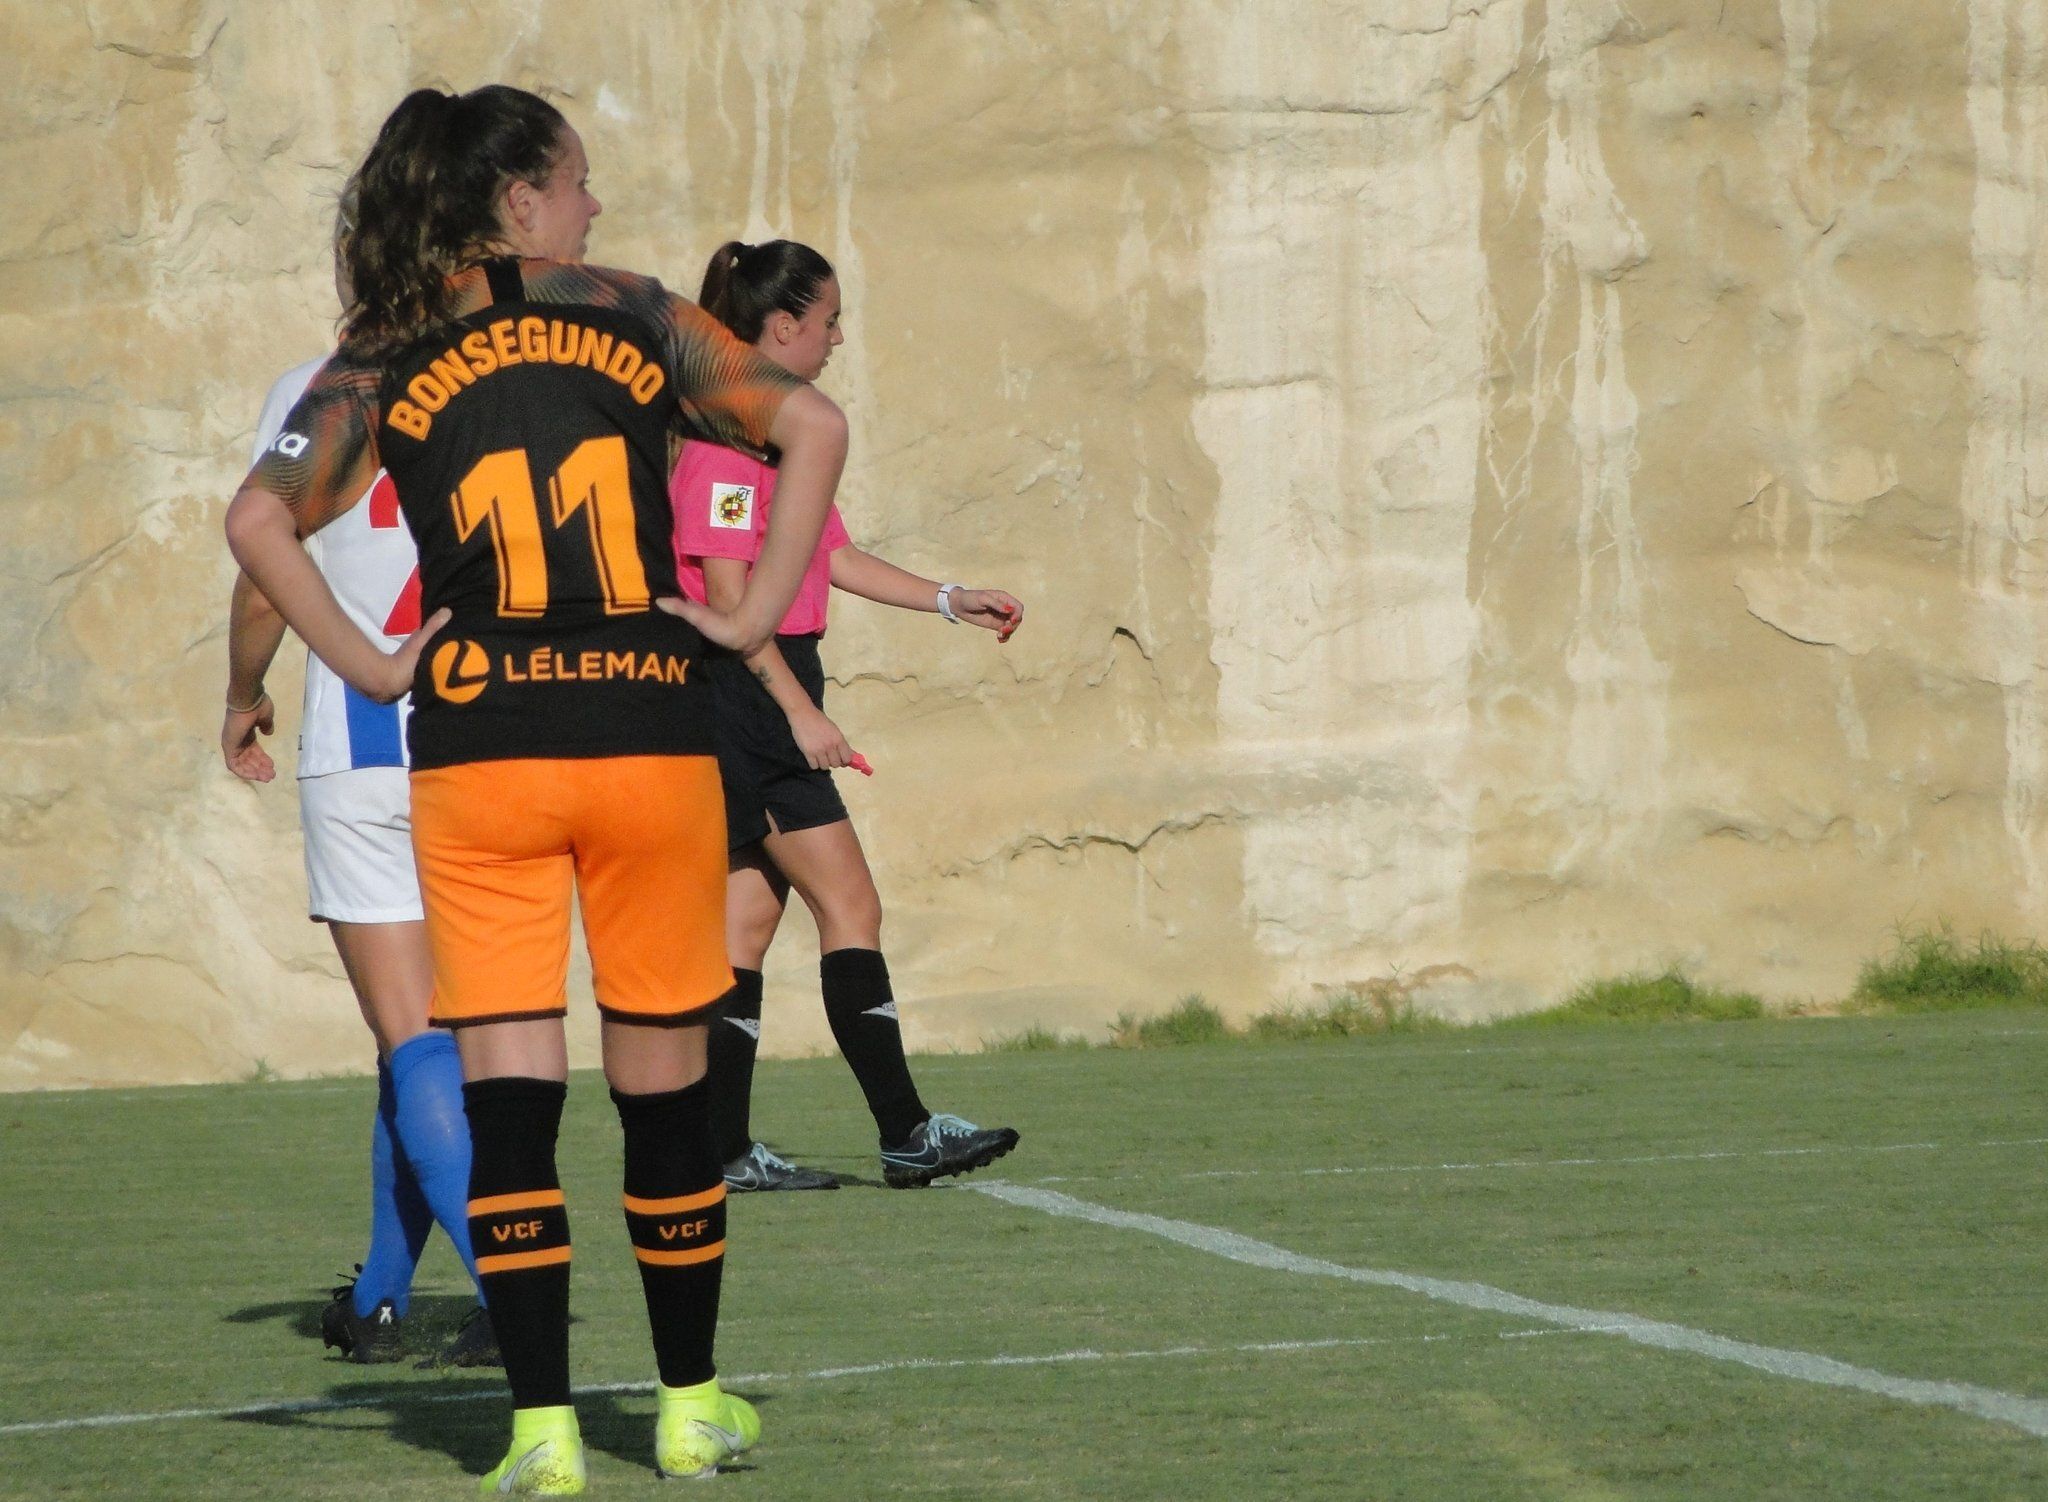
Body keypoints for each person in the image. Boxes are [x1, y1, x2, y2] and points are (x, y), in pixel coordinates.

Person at [225, 85, 849, 1495]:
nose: (594, 206)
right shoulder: (632, 307)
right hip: (644, 732)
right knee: (664, 1092)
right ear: (520, 199)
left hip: (479, 748)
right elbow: (815, 428)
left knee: (509, 1098)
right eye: (576, 181)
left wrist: (376, 666)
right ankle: (688, 1408)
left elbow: (256, 518)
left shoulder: (383, 346)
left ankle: (543, 1432)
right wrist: (748, 631)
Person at [673, 240, 1023, 1192]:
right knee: (851, 904)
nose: (834, 337)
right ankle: (906, 1132)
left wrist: (951, 598)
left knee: (745, 926)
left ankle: (724, 1149)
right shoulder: (725, 454)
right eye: (827, 319)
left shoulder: (773, 442)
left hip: (769, 687)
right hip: (748, 694)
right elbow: (733, 608)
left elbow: (833, 556)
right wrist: (797, 713)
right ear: (780, 327)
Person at [223, 339, 497, 1370]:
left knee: (412, 1033)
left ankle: (507, 1288)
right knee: (444, 1043)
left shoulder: (313, 389)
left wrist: (242, 696)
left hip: (367, 735)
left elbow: (264, 578)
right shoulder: (498, 370)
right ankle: (380, 1295)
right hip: (488, 742)